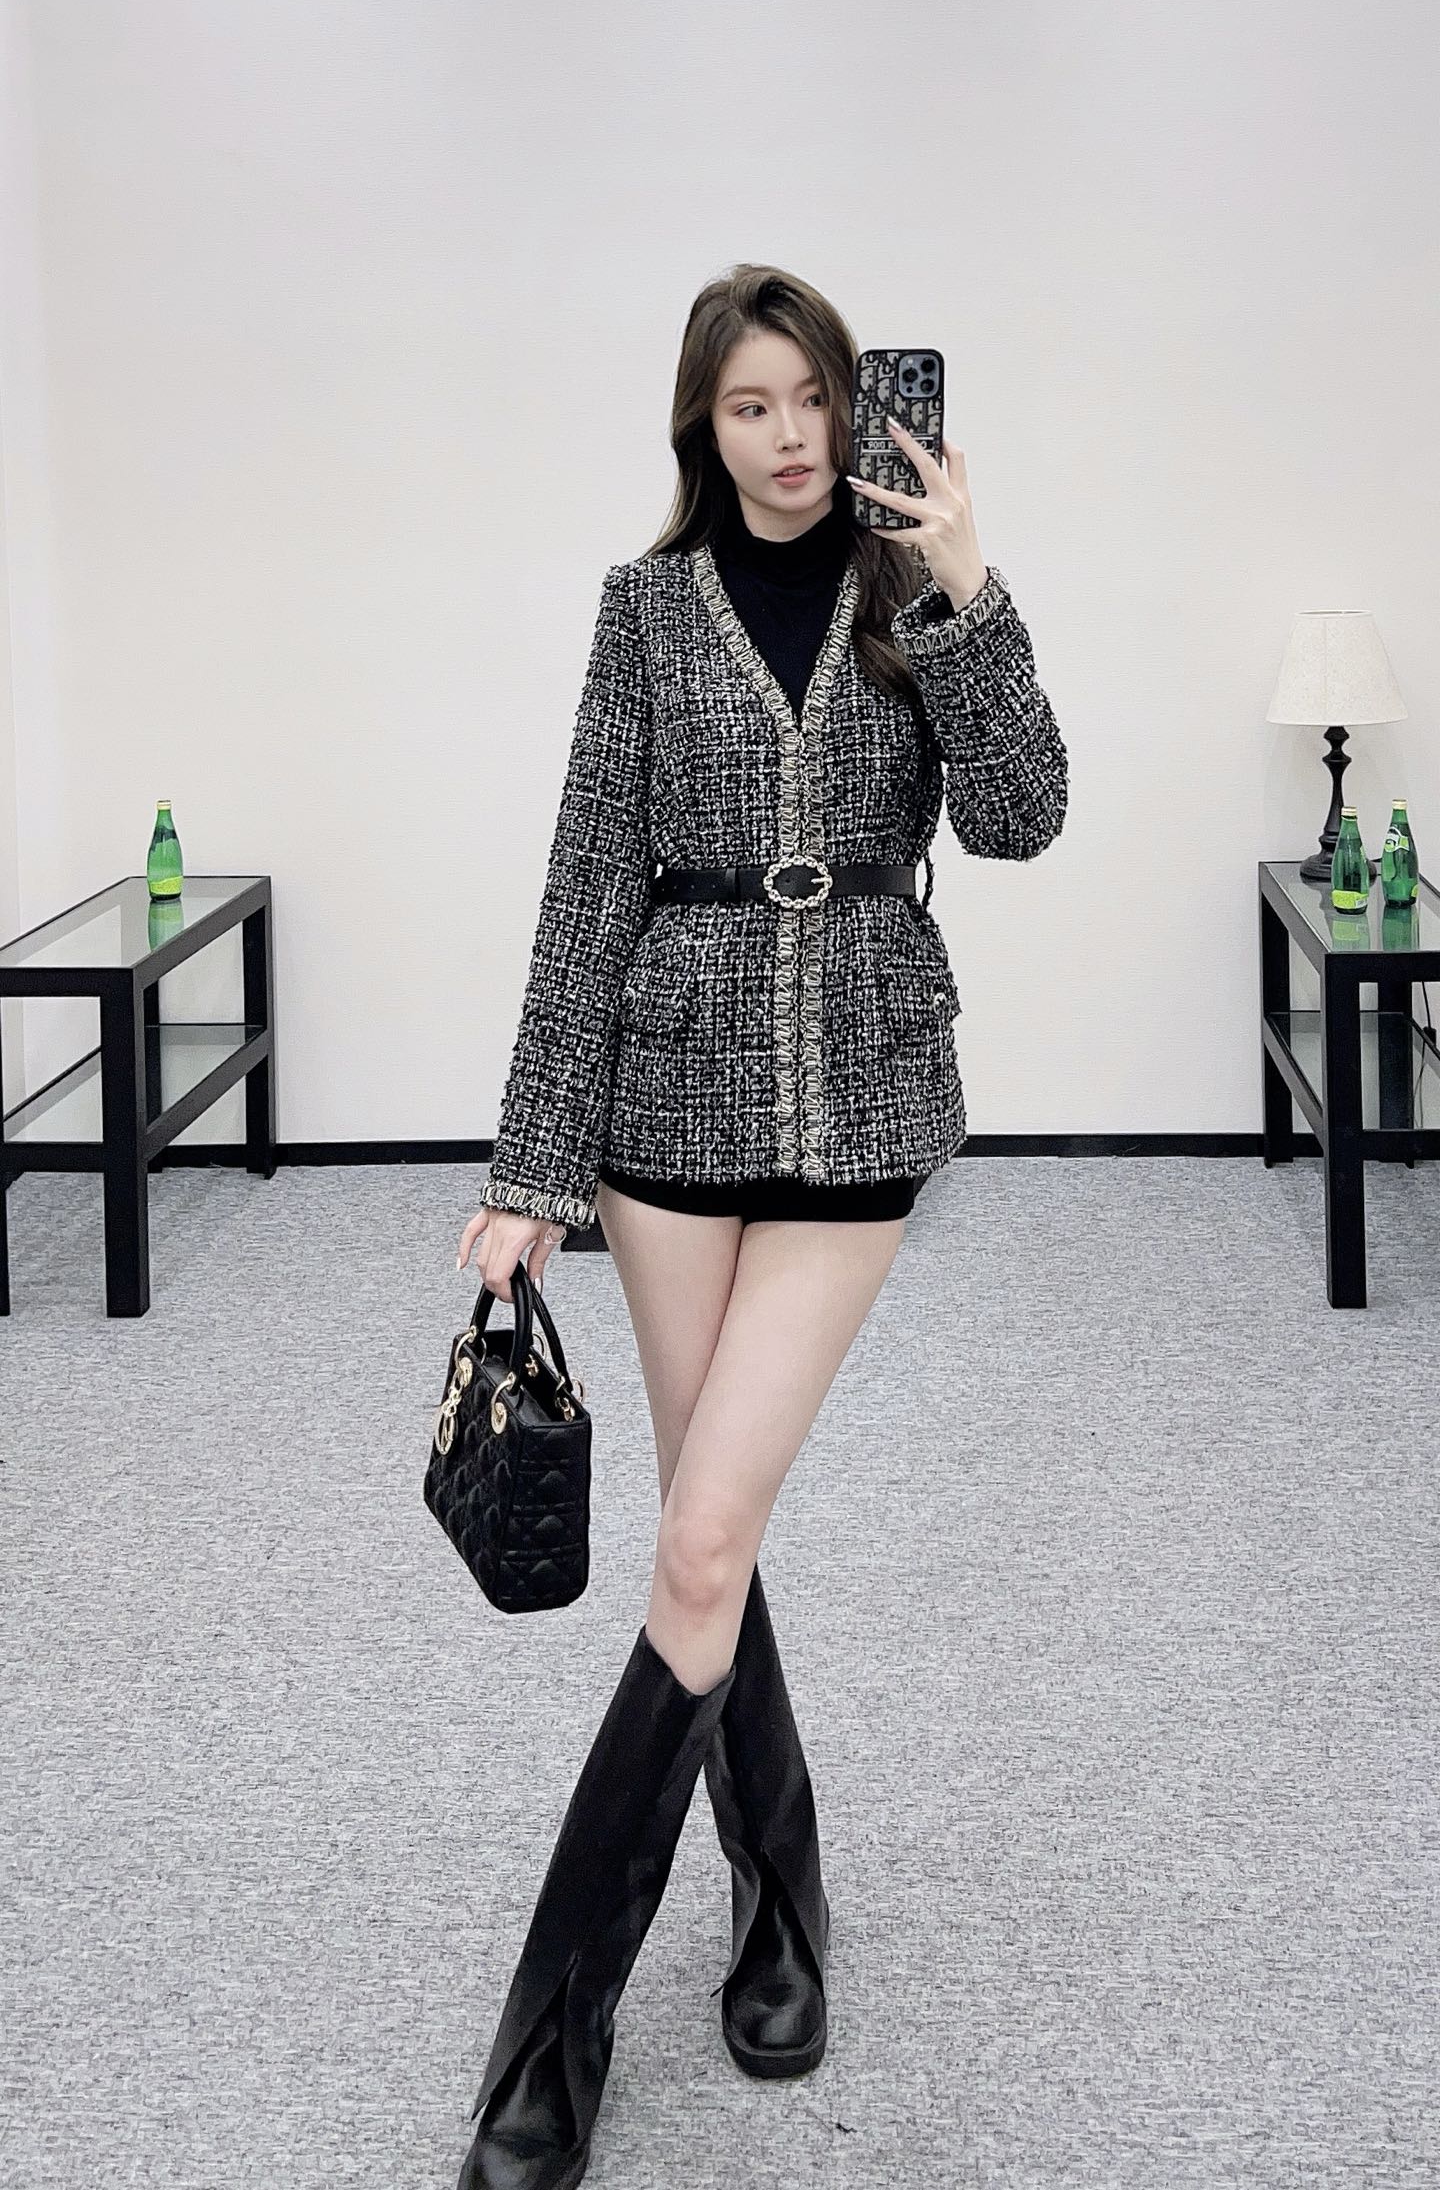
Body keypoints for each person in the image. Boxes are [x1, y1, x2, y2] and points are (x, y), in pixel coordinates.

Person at [449, 263, 1069, 2190]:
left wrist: (965, 586)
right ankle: (782, 1894)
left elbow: (1026, 816)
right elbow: (586, 882)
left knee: (707, 1529)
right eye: (752, 405)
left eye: (815, 397)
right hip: (665, 1104)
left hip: (859, 1097)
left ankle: (552, 2031)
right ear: (700, 426)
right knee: (709, 1535)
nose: (792, 437)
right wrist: (530, 1173)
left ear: (859, 407)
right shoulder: (642, 610)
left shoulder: (915, 592)